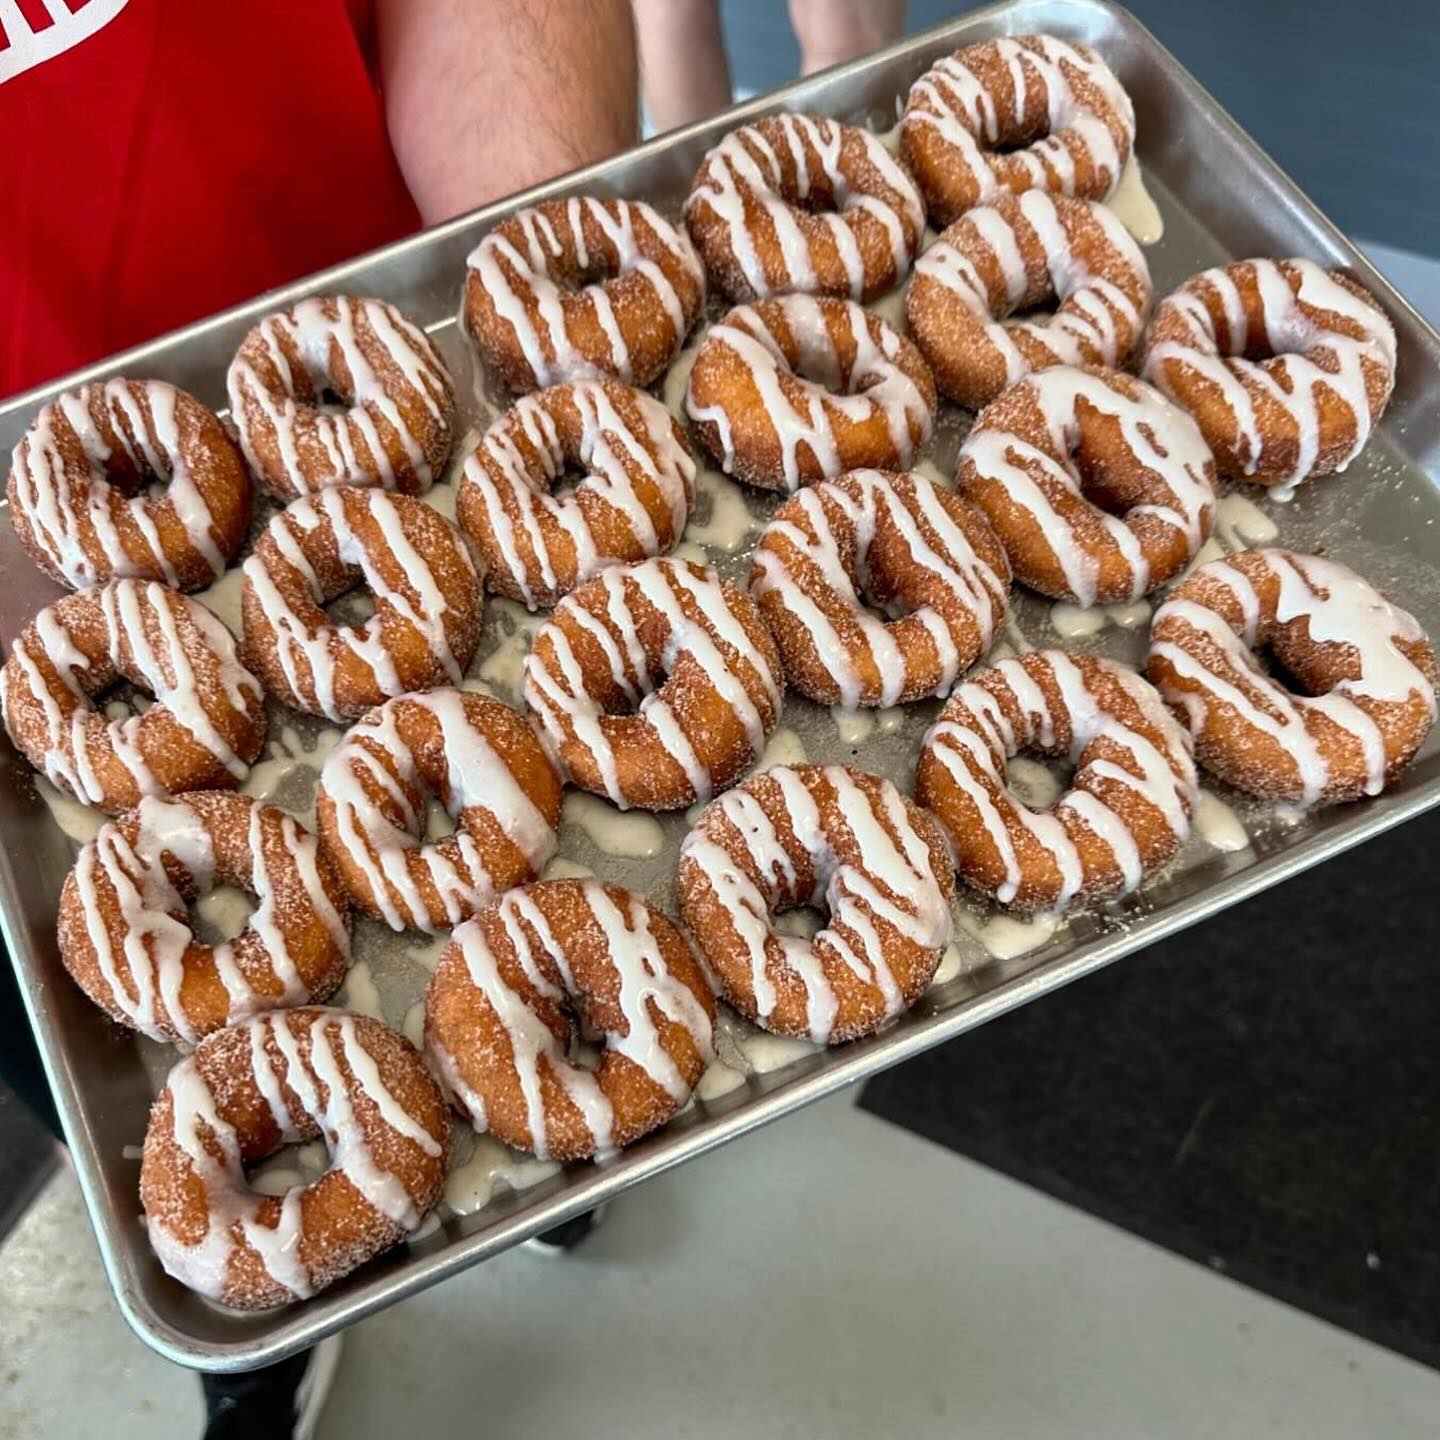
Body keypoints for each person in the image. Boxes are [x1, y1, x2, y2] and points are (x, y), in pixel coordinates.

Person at [0, 1, 906, 1434]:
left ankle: (532, 1138)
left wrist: (536, 288)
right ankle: (266, 1344)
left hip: (390, 321)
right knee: (89, 1060)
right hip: (45, 626)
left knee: (509, 1071)